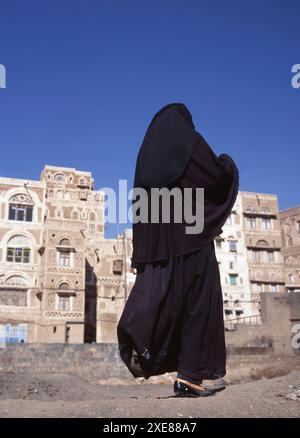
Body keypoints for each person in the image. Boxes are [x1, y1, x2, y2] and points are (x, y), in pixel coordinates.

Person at [117, 103, 239, 397]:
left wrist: (147, 250)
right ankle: (194, 375)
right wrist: (227, 163)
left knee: (167, 302)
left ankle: (141, 343)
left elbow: (140, 209)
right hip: (192, 240)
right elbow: (214, 177)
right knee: (200, 306)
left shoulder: (146, 159)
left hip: (159, 249)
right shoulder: (189, 143)